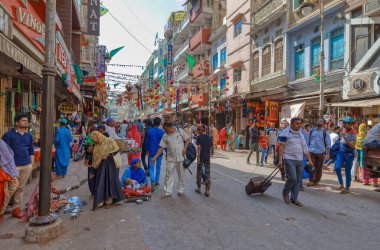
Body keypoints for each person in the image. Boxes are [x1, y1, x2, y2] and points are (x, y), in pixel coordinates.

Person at [2, 113, 35, 219]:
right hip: (13, 168)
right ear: (16, 123)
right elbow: (3, 152)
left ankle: (16, 209)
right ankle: (1, 210)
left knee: (21, 188)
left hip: (26, 165)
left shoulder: (29, 135)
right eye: (23, 120)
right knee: (11, 189)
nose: (26, 122)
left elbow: (31, 150)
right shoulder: (8, 135)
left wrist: (31, 164)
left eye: (26, 120)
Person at [278, 117, 313, 207]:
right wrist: (280, 160)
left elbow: (305, 147)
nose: (299, 125)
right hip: (289, 158)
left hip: (300, 159)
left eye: (300, 123)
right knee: (293, 178)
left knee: (298, 180)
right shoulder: (285, 133)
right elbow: (281, 147)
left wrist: (309, 160)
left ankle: (294, 199)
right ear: (291, 124)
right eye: (297, 124)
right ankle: (285, 193)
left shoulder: (301, 133)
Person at [151, 121, 190, 199]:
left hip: (181, 158)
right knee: (168, 175)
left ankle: (181, 190)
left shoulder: (180, 131)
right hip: (170, 159)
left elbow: (187, 139)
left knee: (181, 175)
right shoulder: (165, 136)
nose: (165, 131)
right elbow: (161, 148)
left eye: (166, 129)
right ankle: (167, 192)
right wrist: (155, 157)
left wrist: (185, 148)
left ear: (170, 127)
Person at [90, 131, 124, 210]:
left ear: (98, 136)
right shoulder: (96, 146)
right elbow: (95, 160)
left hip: (111, 164)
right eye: (93, 140)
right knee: (101, 182)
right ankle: (100, 201)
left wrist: (108, 155)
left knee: (110, 182)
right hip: (102, 166)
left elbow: (116, 150)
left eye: (95, 139)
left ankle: (109, 200)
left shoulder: (110, 140)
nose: (94, 141)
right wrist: (101, 157)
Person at [334, 117, 357, 194]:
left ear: (349, 124)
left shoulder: (353, 133)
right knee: (337, 168)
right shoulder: (343, 129)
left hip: (349, 154)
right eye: (343, 123)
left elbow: (353, 146)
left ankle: (347, 188)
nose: (343, 124)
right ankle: (341, 184)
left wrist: (345, 138)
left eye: (345, 123)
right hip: (341, 153)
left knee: (347, 171)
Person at [307, 119, 331, 187]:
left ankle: (316, 181)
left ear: (323, 124)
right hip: (311, 151)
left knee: (319, 168)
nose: (318, 121)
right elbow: (308, 141)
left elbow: (328, 144)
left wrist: (328, 154)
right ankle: (311, 181)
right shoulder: (312, 130)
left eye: (320, 121)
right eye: (318, 121)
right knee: (311, 166)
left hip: (320, 152)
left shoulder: (325, 132)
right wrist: (307, 151)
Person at [0, 140, 19, 223]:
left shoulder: (2, 143)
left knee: (8, 192)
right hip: (3, 175)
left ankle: (1, 211)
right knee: (5, 193)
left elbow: (7, 160)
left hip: (5, 173)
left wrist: (14, 176)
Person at [145, 117, 165, 189]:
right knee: (158, 167)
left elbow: (147, 142)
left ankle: (152, 181)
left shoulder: (149, 131)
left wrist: (147, 150)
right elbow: (165, 143)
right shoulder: (162, 132)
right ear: (160, 123)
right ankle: (156, 182)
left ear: (153, 122)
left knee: (151, 168)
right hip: (160, 153)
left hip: (152, 152)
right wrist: (166, 151)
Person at [195, 124, 212, 196]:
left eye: (197, 129)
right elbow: (211, 147)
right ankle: (207, 190)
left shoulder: (198, 137)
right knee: (207, 173)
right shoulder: (208, 137)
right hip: (207, 157)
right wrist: (209, 154)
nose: (196, 131)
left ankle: (199, 188)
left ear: (200, 130)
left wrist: (198, 157)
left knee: (199, 172)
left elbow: (199, 147)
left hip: (201, 157)